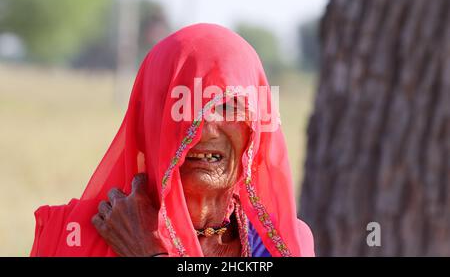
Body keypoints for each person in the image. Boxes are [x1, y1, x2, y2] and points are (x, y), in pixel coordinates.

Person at [30, 23, 314, 257]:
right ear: (149, 122)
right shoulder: (73, 236)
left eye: (228, 106)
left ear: (255, 127)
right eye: (183, 110)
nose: (205, 130)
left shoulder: (282, 244)